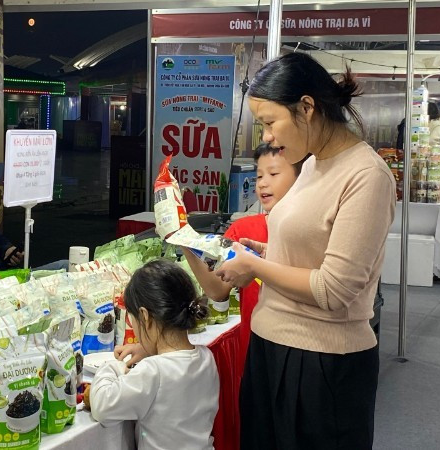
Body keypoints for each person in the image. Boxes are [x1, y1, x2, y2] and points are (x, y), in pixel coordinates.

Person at [215, 53, 394, 449]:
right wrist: (262, 251)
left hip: (322, 364)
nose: (266, 137)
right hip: (270, 346)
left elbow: (335, 289)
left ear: (307, 108)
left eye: (269, 122)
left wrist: (258, 264)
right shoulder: (313, 164)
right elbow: (308, 249)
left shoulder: (366, 176)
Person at [182, 142, 302, 363]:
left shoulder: (310, 232)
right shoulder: (242, 230)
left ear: (301, 179)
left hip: (300, 352)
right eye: (258, 176)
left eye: (274, 174)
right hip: (254, 352)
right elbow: (217, 290)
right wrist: (183, 240)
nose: (263, 184)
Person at [84, 259, 219, 450]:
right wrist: (148, 348)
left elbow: (103, 407)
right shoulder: (207, 358)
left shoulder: (153, 371)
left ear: (145, 316)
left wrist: (113, 366)